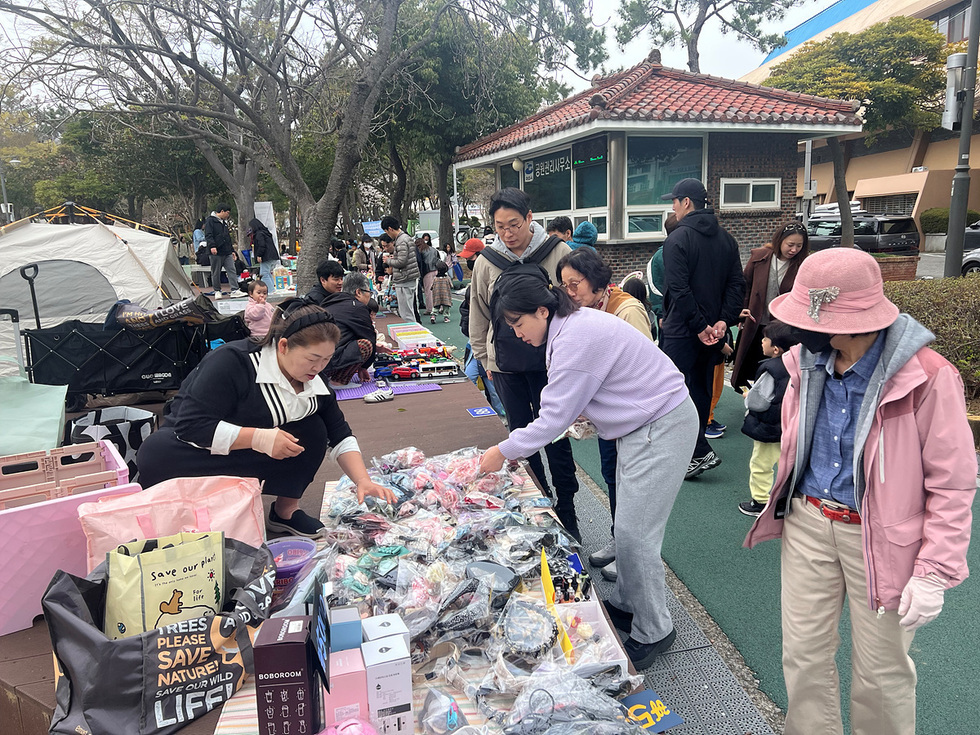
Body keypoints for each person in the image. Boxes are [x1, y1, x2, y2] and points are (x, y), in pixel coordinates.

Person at [744, 248, 977, 735]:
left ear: (857, 319)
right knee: (802, 656)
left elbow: (953, 483)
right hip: (809, 521)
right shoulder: (804, 361)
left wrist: (934, 571)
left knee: (881, 673)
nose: (806, 332)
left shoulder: (929, 377)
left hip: (885, 537)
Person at [478, 271, 697, 669]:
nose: (516, 333)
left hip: (661, 424)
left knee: (635, 533)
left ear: (542, 310)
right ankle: (630, 603)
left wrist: (502, 451)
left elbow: (552, 419)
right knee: (629, 526)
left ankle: (656, 630)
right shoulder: (568, 326)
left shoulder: (575, 338)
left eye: (518, 323)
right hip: (642, 424)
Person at [137, 300, 397, 538]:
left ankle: (285, 512)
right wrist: (259, 437)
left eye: (326, 360)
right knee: (155, 453)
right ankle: (176, 515)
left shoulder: (315, 383)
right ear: (283, 346)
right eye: (312, 359)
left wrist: (363, 481)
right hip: (193, 449)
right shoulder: (233, 362)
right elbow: (191, 426)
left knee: (313, 429)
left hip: (247, 452)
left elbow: (340, 434)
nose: (318, 368)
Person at [469, 188, 579, 535]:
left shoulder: (558, 252)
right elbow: (479, 314)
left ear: (530, 218)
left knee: (557, 434)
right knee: (520, 434)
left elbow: (576, 303)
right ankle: (538, 500)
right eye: (500, 226)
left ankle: (567, 507)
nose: (507, 233)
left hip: (552, 361)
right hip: (505, 364)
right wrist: (484, 357)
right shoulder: (487, 261)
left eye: (514, 224)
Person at [557, 247, 653, 583]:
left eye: (575, 284)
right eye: (564, 285)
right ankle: (619, 541)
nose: (570, 293)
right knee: (612, 476)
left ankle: (632, 557)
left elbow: (643, 372)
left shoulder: (626, 309)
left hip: (638, 418)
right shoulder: (583, 311)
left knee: (632, 485)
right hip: (609, 417)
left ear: (598, 281)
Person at [658, 178, 745, 479]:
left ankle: (694, 452)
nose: (673, 206)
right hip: (712, 333)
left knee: (672, 391)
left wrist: (698, 326)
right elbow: (737, 285)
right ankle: (695, 449)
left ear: (686, 202)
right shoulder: (727, 240)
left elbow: (679, 291)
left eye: (675, 201)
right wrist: (721, 322)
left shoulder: (677, 239)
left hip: (683, 331)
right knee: (700, 392)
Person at [730, 221, 809, 391]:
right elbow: (745, 285)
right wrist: (740, 311)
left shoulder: (802, 265)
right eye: (790, 244)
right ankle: (750, 397)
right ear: (779, 240)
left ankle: (771, 399)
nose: (794, 250)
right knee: (749, 363)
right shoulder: (760, 256)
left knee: (776, 364)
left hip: (782, 327)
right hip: (755, 320)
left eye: (799, 246)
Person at [737, 320, 797, 517]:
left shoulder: (770, 368)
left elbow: (759, 402)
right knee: (786, 462)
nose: (762, 341)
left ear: (776, 349)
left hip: (769, 425)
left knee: (761, 464)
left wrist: (748, 396)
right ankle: (786, 498)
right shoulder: (799, 365)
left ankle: (760, 501)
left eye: (765, 339)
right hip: (789, 424)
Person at [306, 271, 376, 388]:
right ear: (358, 292)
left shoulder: (331, 301)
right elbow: (370, 338)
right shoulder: (357, 307)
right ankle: (339, 381)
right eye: (369, 292)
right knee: (365, 345)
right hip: (329, 363)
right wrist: (364, 366)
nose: (370, 296)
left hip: (315, 361)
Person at [381, 216, 420, 323]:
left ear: (390, 229)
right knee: (409, 311)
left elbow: (401, 262)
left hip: (404, 278)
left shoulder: (401, 240)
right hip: (409, 277)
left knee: (406, 314)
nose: (388, 235)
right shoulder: (406, 238)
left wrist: (388, 261)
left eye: (386, 232)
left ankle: (412, 334)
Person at [204, 204, 236, 298]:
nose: (228, 215)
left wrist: (232, 250)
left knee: (231, 269)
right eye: (227, 212)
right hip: (216, 251)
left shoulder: (224, 223)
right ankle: (217, 290)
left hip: (227, 251)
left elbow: (227, 237)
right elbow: (208, 235)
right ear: (222, 211)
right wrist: (212, 246)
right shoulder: (210, 221)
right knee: (216, 271)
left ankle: (235, 289)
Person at [249, 217, 280, 283]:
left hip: (266, 256)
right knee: (268, 273)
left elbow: (261, 245)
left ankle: (270, 290)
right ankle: (272, 288)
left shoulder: (259, 234)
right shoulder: (266, 233)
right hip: (272, 255)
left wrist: (259, 255)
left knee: (264, 274)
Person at [418, 235, 441, 315]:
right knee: (437, 290)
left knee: (428, 291)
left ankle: (430, 309)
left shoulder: (421, 251)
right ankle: (440, 307)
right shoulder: (433, 249)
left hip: (427, 272)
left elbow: (420, 263)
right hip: (436, 270)